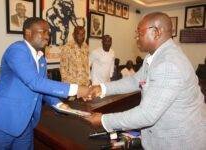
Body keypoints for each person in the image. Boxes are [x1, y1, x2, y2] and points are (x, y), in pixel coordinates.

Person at [84, 12, 206, 149]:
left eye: (139, 33)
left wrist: (104, 120)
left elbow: (146, 115)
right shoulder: (154, 56)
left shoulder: (168, 64)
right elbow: (135, 80)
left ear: (156, 32)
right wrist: (103, 88)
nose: (136, 37)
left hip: (179, 142)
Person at [0, 17, 89, 150]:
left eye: (49, 33)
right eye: (43, 32)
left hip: (26, 124)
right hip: (2, 122)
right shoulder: (17, 49)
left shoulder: (41, 59)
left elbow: (42, 87)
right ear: (28, 32)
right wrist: (77, 89)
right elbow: (35, 82)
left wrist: (60, 104)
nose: (47, 36)